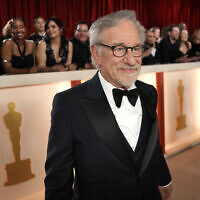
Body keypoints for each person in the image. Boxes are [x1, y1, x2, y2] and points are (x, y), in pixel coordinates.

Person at [45, 10, 172, 200]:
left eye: (136, 48)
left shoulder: (149, 92)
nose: (131, 60)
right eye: (119, 49)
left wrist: (164, 179)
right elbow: (58, 182)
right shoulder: (68, 104)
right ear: (96, 53)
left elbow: (151, 145)